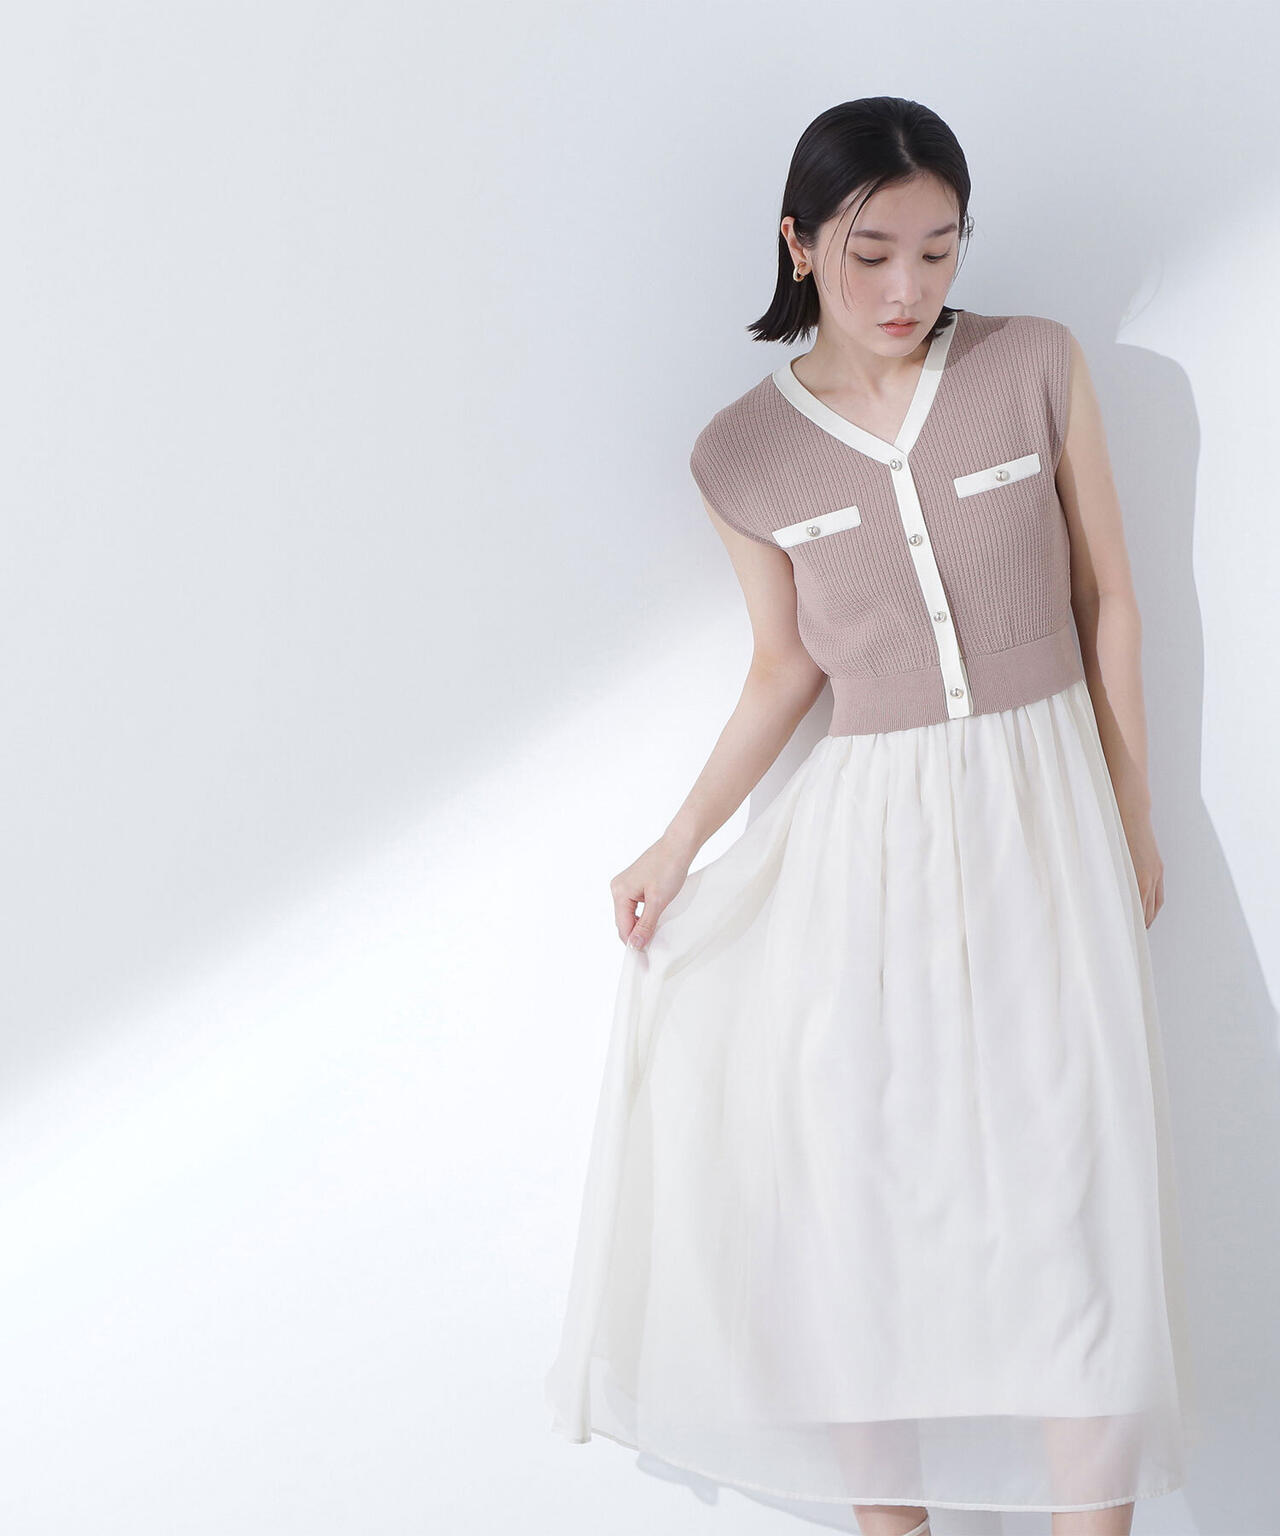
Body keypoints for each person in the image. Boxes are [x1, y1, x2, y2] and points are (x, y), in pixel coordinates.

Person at [544, 97, 1198, 1536]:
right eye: (871, 252)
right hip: (867, 854)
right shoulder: (740, 455)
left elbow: (1112, 600)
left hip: (1046, 821)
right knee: (858, 1215)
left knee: (1076, 1209)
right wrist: (675, 844)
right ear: (800, 244)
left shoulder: (1035, 365)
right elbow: (784, 670)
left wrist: (1133, 811)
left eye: (940, 249)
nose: (909, 288)